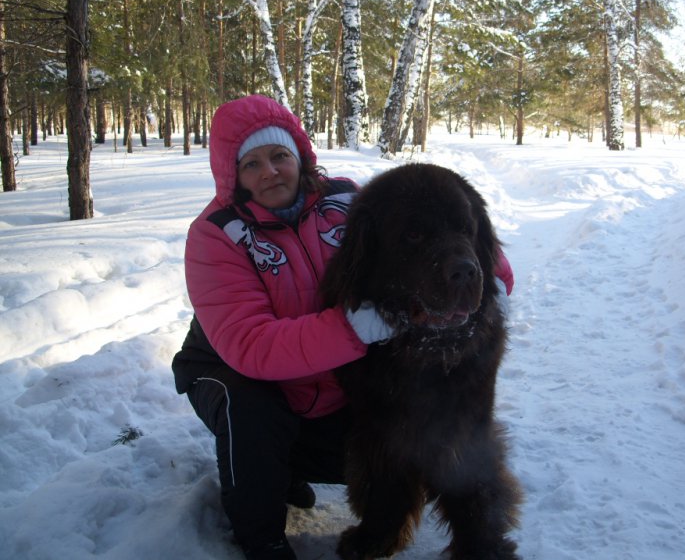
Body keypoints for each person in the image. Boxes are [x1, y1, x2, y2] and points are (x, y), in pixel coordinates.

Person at [172, 95, 514, 560]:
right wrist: (361, 328)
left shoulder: (347, 201)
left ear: (299, 156)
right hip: (235, 367)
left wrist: (486, 276)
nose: (269, 171)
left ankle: (453, 529)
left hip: (327, 373)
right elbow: (250, 346)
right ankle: (262, 539)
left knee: (402, 435)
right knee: (250, 411)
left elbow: (450, 226)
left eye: (279, 156)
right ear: (232, 174)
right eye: (251, 164)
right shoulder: (216, 235)